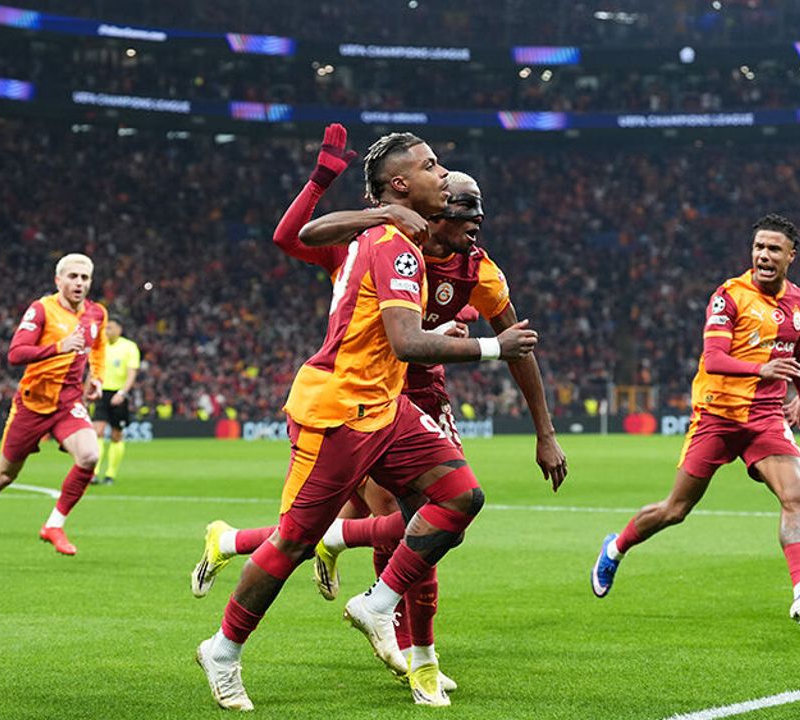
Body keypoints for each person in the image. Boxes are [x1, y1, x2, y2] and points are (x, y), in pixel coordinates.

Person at [192, 126, 567, 704]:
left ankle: (379, 605)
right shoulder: (392, 244)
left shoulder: (422, 247)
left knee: (459, 496)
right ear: (401, 184)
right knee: (293, 542)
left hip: (387, 406)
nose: (442, 174)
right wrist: (495, 347)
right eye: (431, 166)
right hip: (339, 409)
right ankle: (223, 648)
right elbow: (405, 341)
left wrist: (542, 427)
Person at [590, 213, 800, 623]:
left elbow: (795, 345)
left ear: (791, 256)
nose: (764, 255)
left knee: (796, 494)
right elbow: (715, 358)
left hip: (764, 417)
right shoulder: (729, 296)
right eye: (759, 247)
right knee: (675, 509)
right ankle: (616, 548)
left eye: (774, 249)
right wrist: (761, 369)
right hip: (718, 415)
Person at [0, 254, 107, 567]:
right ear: (58, 280)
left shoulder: (96, 313)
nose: (79, 283)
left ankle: (54, 525)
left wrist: (98, 378)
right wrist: (59, 347)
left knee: (90, 455)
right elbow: (16, 353)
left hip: (68, 402)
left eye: (84, 278)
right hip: (32, 404)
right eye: (73, 276)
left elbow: (99, 346)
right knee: (4, 475)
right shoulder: (42, 309)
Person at [92, 318, 141, 485]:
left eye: (110, 328)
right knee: (97, 431)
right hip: (101, 392)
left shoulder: (129, 347)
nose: (107, 331)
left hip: (119, 394)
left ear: (119, 329)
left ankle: (110, 474)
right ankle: (93, 473)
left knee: (116, 435)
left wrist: (122, 393)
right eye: (105, 328)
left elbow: (131, 374)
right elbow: (93, 370)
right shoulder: (100, 345)